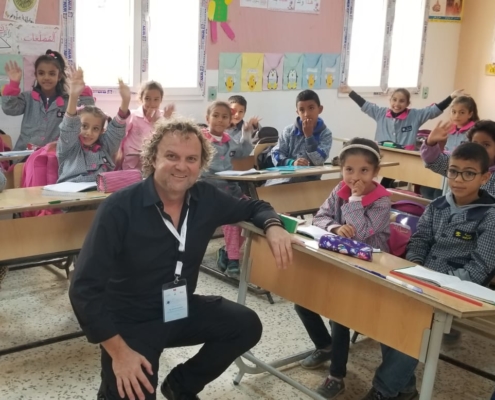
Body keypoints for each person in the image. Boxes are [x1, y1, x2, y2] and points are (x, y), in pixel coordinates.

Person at [69, 117, 297, 400]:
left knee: (245, 325)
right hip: (130, 321)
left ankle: (181, 385)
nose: (181, 166)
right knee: (130, 392)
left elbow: (255, 206)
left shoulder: (205, 198)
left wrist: (273, 226)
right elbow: (83, 289)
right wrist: (119, 353)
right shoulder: (119, 209)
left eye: (191, 159)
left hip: (178, 309)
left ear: (201, 165)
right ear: (152, 158)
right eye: (172, 156)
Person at [363, 142, 495, 400]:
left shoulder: (490, 216)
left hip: (459, 289)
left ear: (485, 177)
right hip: (422, 278)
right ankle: (406, 388)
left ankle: (383, 391)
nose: (458, 179)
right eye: (454, 171)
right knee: (387, 311)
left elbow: (481, 267)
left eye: (468, 173)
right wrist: (415, 268)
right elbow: (420, 240)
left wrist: (440, 284)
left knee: (416, 322)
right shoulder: (437, 206)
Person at [295, 138, 391, 399]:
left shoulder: (382, 201)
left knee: (339, 316)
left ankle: (337, 375)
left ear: (375, 172)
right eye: (349, 170)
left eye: (364, 171)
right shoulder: (339, 188)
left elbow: (361, 234)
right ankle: (324, 346)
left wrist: (356, 199)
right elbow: (320, 216)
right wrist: (335, 227)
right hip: (338, 260)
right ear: (341, 169)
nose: (355, 177)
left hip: (370, 267)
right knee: (302, 301)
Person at [200, 100, 254, 277]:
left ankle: (227, 252)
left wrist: (246, 134)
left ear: (230, 121)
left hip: (231, 189)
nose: (220, 120)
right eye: (215, 115)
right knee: (231, 217)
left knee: (250, 214)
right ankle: (233, 259)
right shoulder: (200, 138)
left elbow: (243, 153)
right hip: (209, 191)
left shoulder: (229, 140)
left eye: (225, 117)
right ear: (207, 117)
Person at [1, 50, 94, 151]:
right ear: (36, 75)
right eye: (41, 73)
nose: (46, 77)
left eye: (52, 74)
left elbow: (88, 112)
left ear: (59, 76)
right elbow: (10, 109)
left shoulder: (68, 101)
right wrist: (14, 84)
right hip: (26, 155)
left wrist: (80, 89)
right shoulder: (28, 97)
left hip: (54, 156)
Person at [57, 68, 130, 183]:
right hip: (71, 196)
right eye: (84, 126)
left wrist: (125, 102)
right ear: (77, 126)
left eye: (95, 129)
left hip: (98, 195)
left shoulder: (105, 146)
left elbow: (115, 133)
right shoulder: (69, 146)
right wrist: (73, 96)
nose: (89, 132)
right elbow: (68, 128)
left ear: (102, 131)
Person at [421, 95, 480, 199]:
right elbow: (440, 150)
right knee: (426, 190)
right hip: (445, 166)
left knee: (439, 194)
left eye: (462, 112)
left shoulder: (474, 132)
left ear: (470, 114)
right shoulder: (448, 129)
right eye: (453, 112)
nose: (457, 116)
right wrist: (435, 141)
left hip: (460, 169)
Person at [269, 89, 332, 184]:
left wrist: (309, 136)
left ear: (320, 109)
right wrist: (292, 163)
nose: (306, 114)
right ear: (297, 112)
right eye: (302, 110)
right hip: (284, 180)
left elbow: (319, 161)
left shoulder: (325, 133)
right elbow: (276, 154)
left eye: (311, 108)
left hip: (311, 182)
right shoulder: (289, 131)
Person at [421, 120, 495, 195]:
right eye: (475, 143)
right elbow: (434, 161)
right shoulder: (460, 163)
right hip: (453, 206)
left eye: (486, 145)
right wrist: (431, 142)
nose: (479, 148)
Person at [118, 81, 175, 171]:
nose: (151, 103)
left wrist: (165, 120)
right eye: (147, 98)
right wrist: (118, 153)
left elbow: (167, 140)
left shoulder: (163, 117)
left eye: (156, 99)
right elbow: (121, 135)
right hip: (132, 160)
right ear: (141, 98)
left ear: (161, 100)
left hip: (152, 160)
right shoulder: (133, 115)